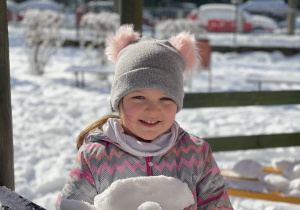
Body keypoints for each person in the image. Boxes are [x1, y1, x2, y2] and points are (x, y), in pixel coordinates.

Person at [56, 25, 233, 210]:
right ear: (119, 101)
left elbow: (218, 206)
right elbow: (71, 206)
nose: (152, 109)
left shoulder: (196, 154)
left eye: (165, 98)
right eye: (139, 97)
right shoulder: (95, 156)